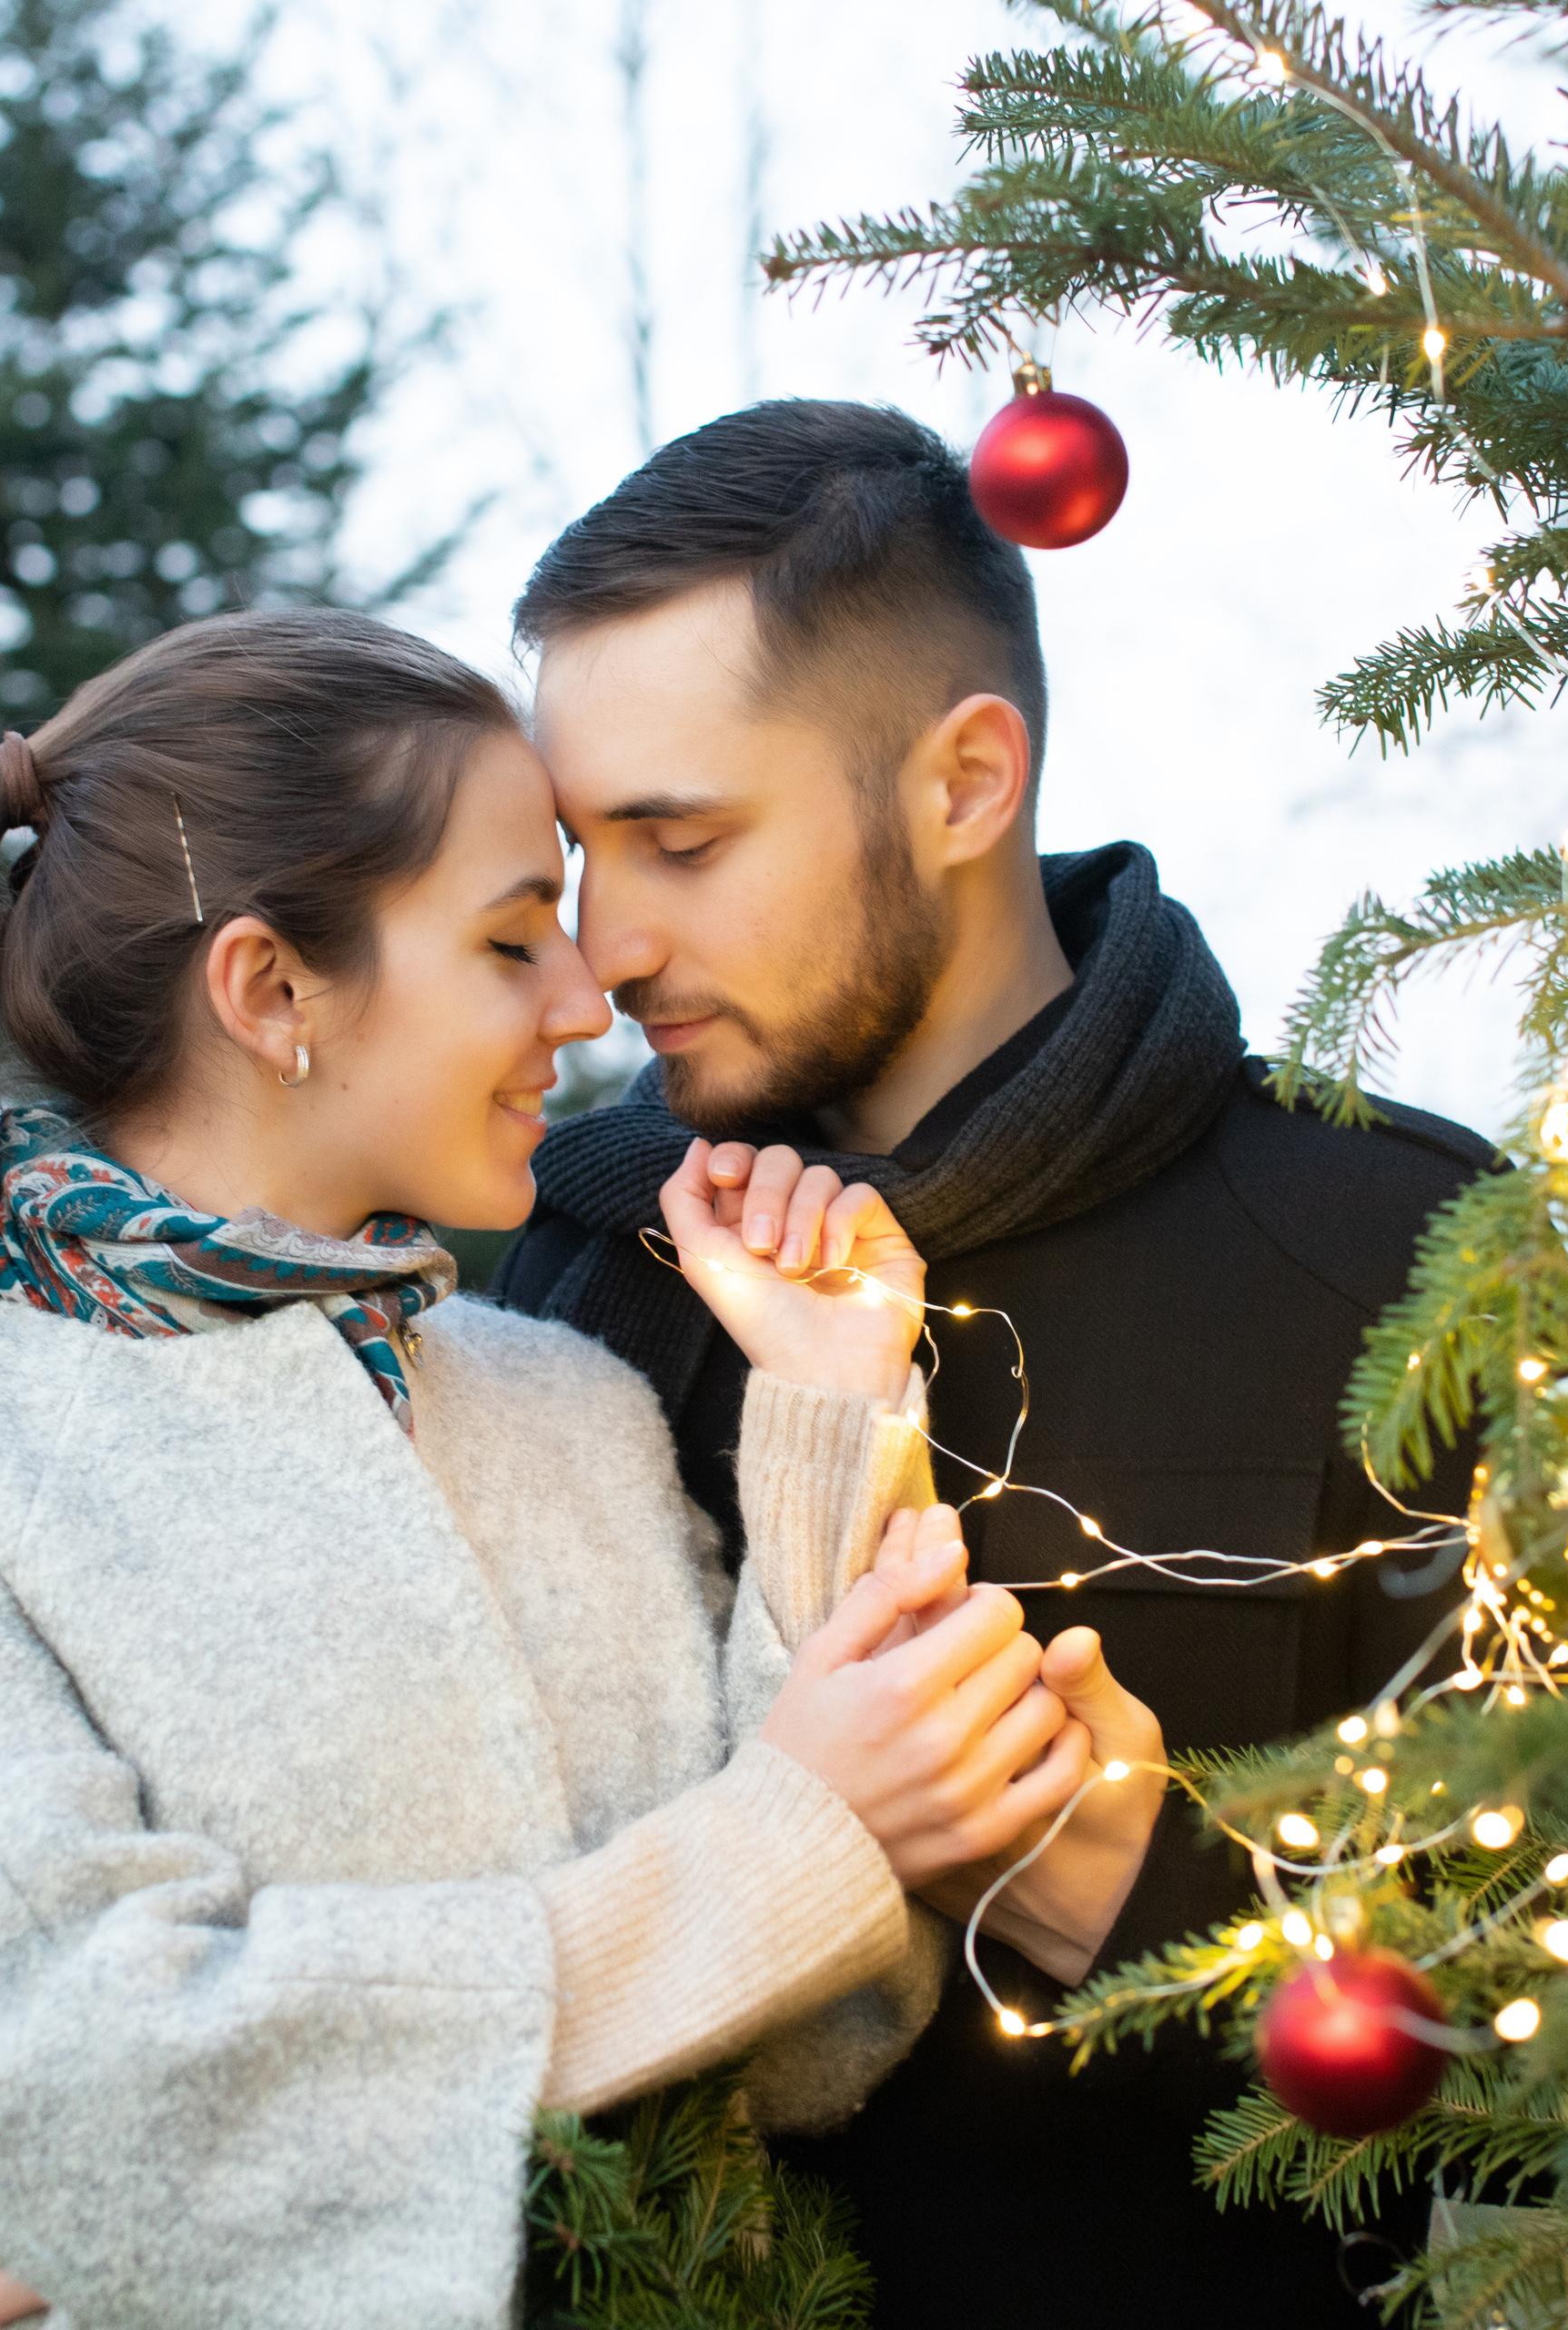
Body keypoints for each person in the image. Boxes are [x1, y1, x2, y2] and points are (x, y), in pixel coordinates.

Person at [0, 606, 1167, 2330]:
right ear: (274, 989)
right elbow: (83, 2098)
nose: (592, 995)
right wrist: (788, 1842)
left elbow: (820, 2040)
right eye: (514, 940)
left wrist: (823, 1411)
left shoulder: (568, 1408)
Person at [491, 400, 1494, 2326]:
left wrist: (1136, 1886)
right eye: (574, 851)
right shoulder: (576, 1257)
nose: (602, 945)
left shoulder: (1397, 1256)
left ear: (960, 782)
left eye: (677, 839)